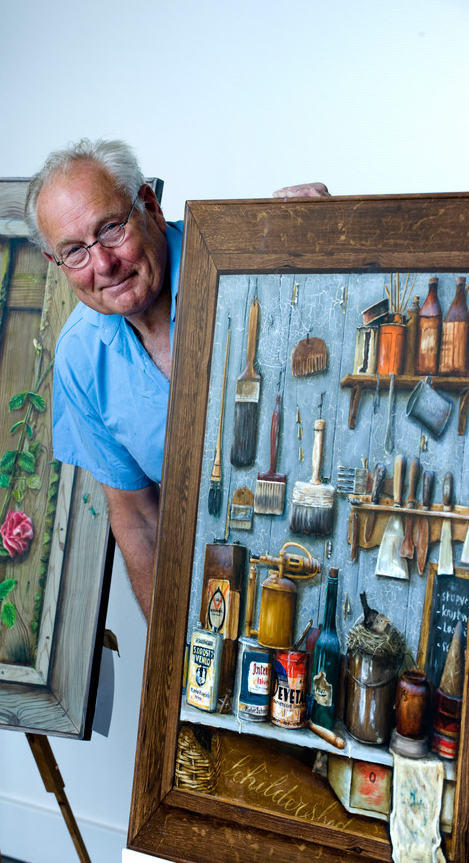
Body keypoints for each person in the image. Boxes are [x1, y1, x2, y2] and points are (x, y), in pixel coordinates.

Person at [25, 137, 329, 616]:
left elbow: (340, 312)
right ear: (56, 264)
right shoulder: (80, 358)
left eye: (110, 229)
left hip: (333, 549)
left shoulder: (250, 259)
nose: (103, 264)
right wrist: (168, 663)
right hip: (231, 588)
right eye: (75, 252)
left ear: (149, 205)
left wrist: (331, 241)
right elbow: (139, 519)